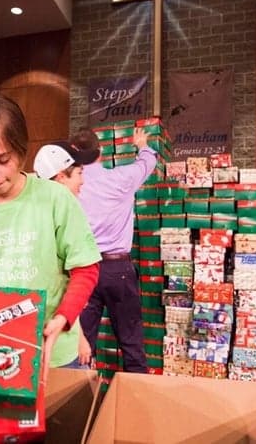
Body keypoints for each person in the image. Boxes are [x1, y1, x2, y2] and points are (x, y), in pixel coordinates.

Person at [0, 93, 101, 372]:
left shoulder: (55, 199)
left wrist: (62, 319)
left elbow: (85, 269)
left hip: (56, 355)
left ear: (21, 148)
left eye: (3, 159)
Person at [71, 127, 158, 373]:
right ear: (101, 152)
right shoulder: (122, 177)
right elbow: (148, 161)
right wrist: (141, 144)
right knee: (131, 340)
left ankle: (81, 397)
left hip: (83, 269)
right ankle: (136, 395)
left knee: (83, 342)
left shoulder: (70, 184)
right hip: (118, 267)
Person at [33, 140, 101, 367]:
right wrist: (79, 339)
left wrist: (78, 336)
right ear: (61, 177)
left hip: (59, 335)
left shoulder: (44, 209)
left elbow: (65, 282)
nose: (82, 180)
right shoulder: (52, 216)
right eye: (79, 173)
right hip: (54, 347)